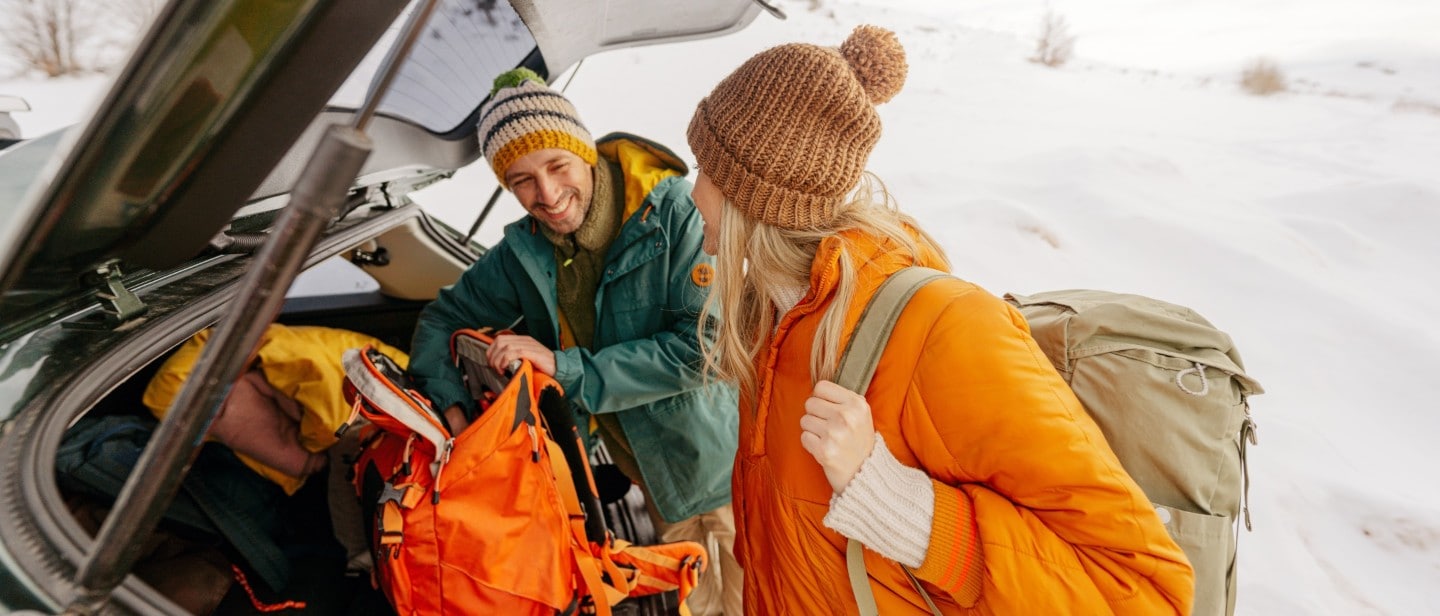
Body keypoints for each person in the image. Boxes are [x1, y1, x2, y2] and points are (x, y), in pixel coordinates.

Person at [684, 24, 1196, 614]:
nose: (693, 193)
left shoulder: (943, 329)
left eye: (707, 168)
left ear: (758, 193)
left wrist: (896, 503)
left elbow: (1142, 594)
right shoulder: (773, 322)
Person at [408, 68, 742, 615]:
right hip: (648, 477)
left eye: (557, 165)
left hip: (719, 471)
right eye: (520, 180)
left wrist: (565, 368)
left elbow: (705, 347)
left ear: (584, 151)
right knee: (696, 604)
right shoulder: (527, 251)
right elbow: (443, 317)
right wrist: (452, 410)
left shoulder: (675, 213)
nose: (547, 195)